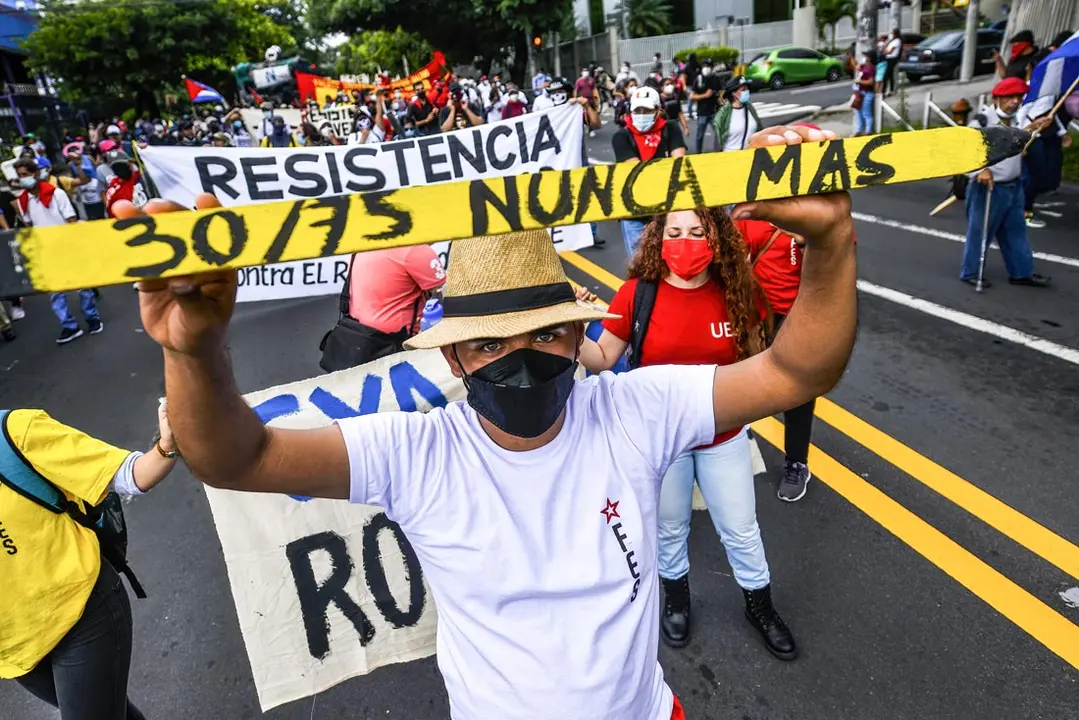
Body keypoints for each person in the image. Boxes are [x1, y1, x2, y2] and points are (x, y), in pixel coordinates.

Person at [118, 120, 855, 720]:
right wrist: (193, 349)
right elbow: (234, 459)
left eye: (544, 335)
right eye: (487, 343)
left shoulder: (639, 407)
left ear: (576, 338)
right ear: (455, 360)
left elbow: (797, 371)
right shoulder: (416, 452)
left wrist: (829, 242)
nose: (521, 360)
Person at [578, 207, 798, 659]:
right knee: (670, 526)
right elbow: (600, 358)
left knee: (740, 528)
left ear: (717, 238)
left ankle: (760, 606)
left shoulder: (740, 292)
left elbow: (758, 364)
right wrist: (572, 326)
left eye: (697, 231)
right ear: (658, 238)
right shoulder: (638, 294)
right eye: (674, 232)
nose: (685, 241)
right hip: (662, 443)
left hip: (725, 437)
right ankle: (675, 599)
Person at [1, 403, 179, 720]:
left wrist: (166, 446)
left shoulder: (14, 432)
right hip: (15, 649)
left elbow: (130, 475)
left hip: (82, 616)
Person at [740, 217, 815, 501]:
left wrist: (809, 243)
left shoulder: (819, 206)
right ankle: (727, 447)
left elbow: (841, 256)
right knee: (745, 383)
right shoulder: (752, 211)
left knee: (798, 392)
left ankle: (797, 462)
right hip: (757, 316)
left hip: (803, 317)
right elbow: (732, 261)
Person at [960, 77, 1051, 289]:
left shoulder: (1018, 119)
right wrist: (980, 170)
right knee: (980, 232)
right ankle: (971, 272)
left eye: (1018, 97)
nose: (1015, 101)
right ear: (997, 98)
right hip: (989, 187)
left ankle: (1021, 273)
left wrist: (1034, 128)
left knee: (1016, 231)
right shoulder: (982, 121)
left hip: (1013, 185)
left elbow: (1018, 143)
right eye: (1009, 97)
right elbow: (964, 153)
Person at [13, 157, 100, 344]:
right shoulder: (23, 200)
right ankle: (69, 326)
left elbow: (71, 221)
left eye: (25, 175)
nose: (22, 179)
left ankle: (92, 318)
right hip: (46, 251)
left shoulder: (57, 194)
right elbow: (29, 226)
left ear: (36, 174)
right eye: (19, 176)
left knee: (82, 287)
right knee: (55, 293)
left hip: (66, 246)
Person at [332, 245, 448, 367]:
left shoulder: (361, 246)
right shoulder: (414, 250)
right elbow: (444, 297)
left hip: (355, 341)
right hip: (399, 349)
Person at [612, 86, 687, 259]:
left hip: (668, 208)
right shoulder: (621, 137)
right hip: (634, 212)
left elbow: (679, 163)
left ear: (657, 110)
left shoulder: (671, 128)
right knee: (640, 262)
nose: (641, 114)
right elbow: (639, 173)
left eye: (646, 110)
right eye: (637, 110)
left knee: (673, 259)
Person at [714, 76, 760, 153]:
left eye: (747, 88)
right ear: (734, 93)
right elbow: (718, 142)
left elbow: (760, 130)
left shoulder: (750, 108)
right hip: (730, 160)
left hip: (750, 157)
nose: (747, 91)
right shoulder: (724, 113)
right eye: (743, 90)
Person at [103, 149, 149, 220]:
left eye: (123, 165)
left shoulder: (142, 176)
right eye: (116, 167)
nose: (121, 169)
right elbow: (112, 214)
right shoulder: (114, 189)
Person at [690, 59, 722, 153]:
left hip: (714, 111)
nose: (706, 68)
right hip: (702, 112)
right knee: (700, 135)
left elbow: (720, 93)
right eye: (704, 66)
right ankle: (698, 153)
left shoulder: (715, 79)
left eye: (708, 66)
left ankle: (719, 150)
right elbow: (692, 96)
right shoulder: (699, 79)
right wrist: (705, 95)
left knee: (719, 133)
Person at [853, 51, 877, 136]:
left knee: (866, 112)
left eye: (866, 56)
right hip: (860, 92)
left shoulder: (871, 68)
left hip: (867, 92)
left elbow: (870, 82)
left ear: (870, 58)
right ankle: (859, 130)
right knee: (858, 111)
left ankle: (868, 131)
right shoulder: (864, 66)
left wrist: (860, 81)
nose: (864, 57)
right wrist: (852, 57)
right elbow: (856, 66)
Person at [574, 68, 598, 137]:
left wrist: (596, 98)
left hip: (591, 100)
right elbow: (576, 90)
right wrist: (575, 98)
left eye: (586, 71)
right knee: (583, 115)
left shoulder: (591, 80)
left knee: (591, 115)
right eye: (584, 71)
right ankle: (586, 125)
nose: (586, 73)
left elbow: (594, 89)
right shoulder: (579, 81)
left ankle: (591, 129)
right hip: (583, 101)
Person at [883, 29, 902, 96]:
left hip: (892, 59)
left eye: (892, 33)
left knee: (886, 75)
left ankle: (884, 91)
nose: (891, 34)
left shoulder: (897, 41)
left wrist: (885, 49)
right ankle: (891, 90)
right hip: (888, 58)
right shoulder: (892, 41)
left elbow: (889, 51)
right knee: (890, 75)